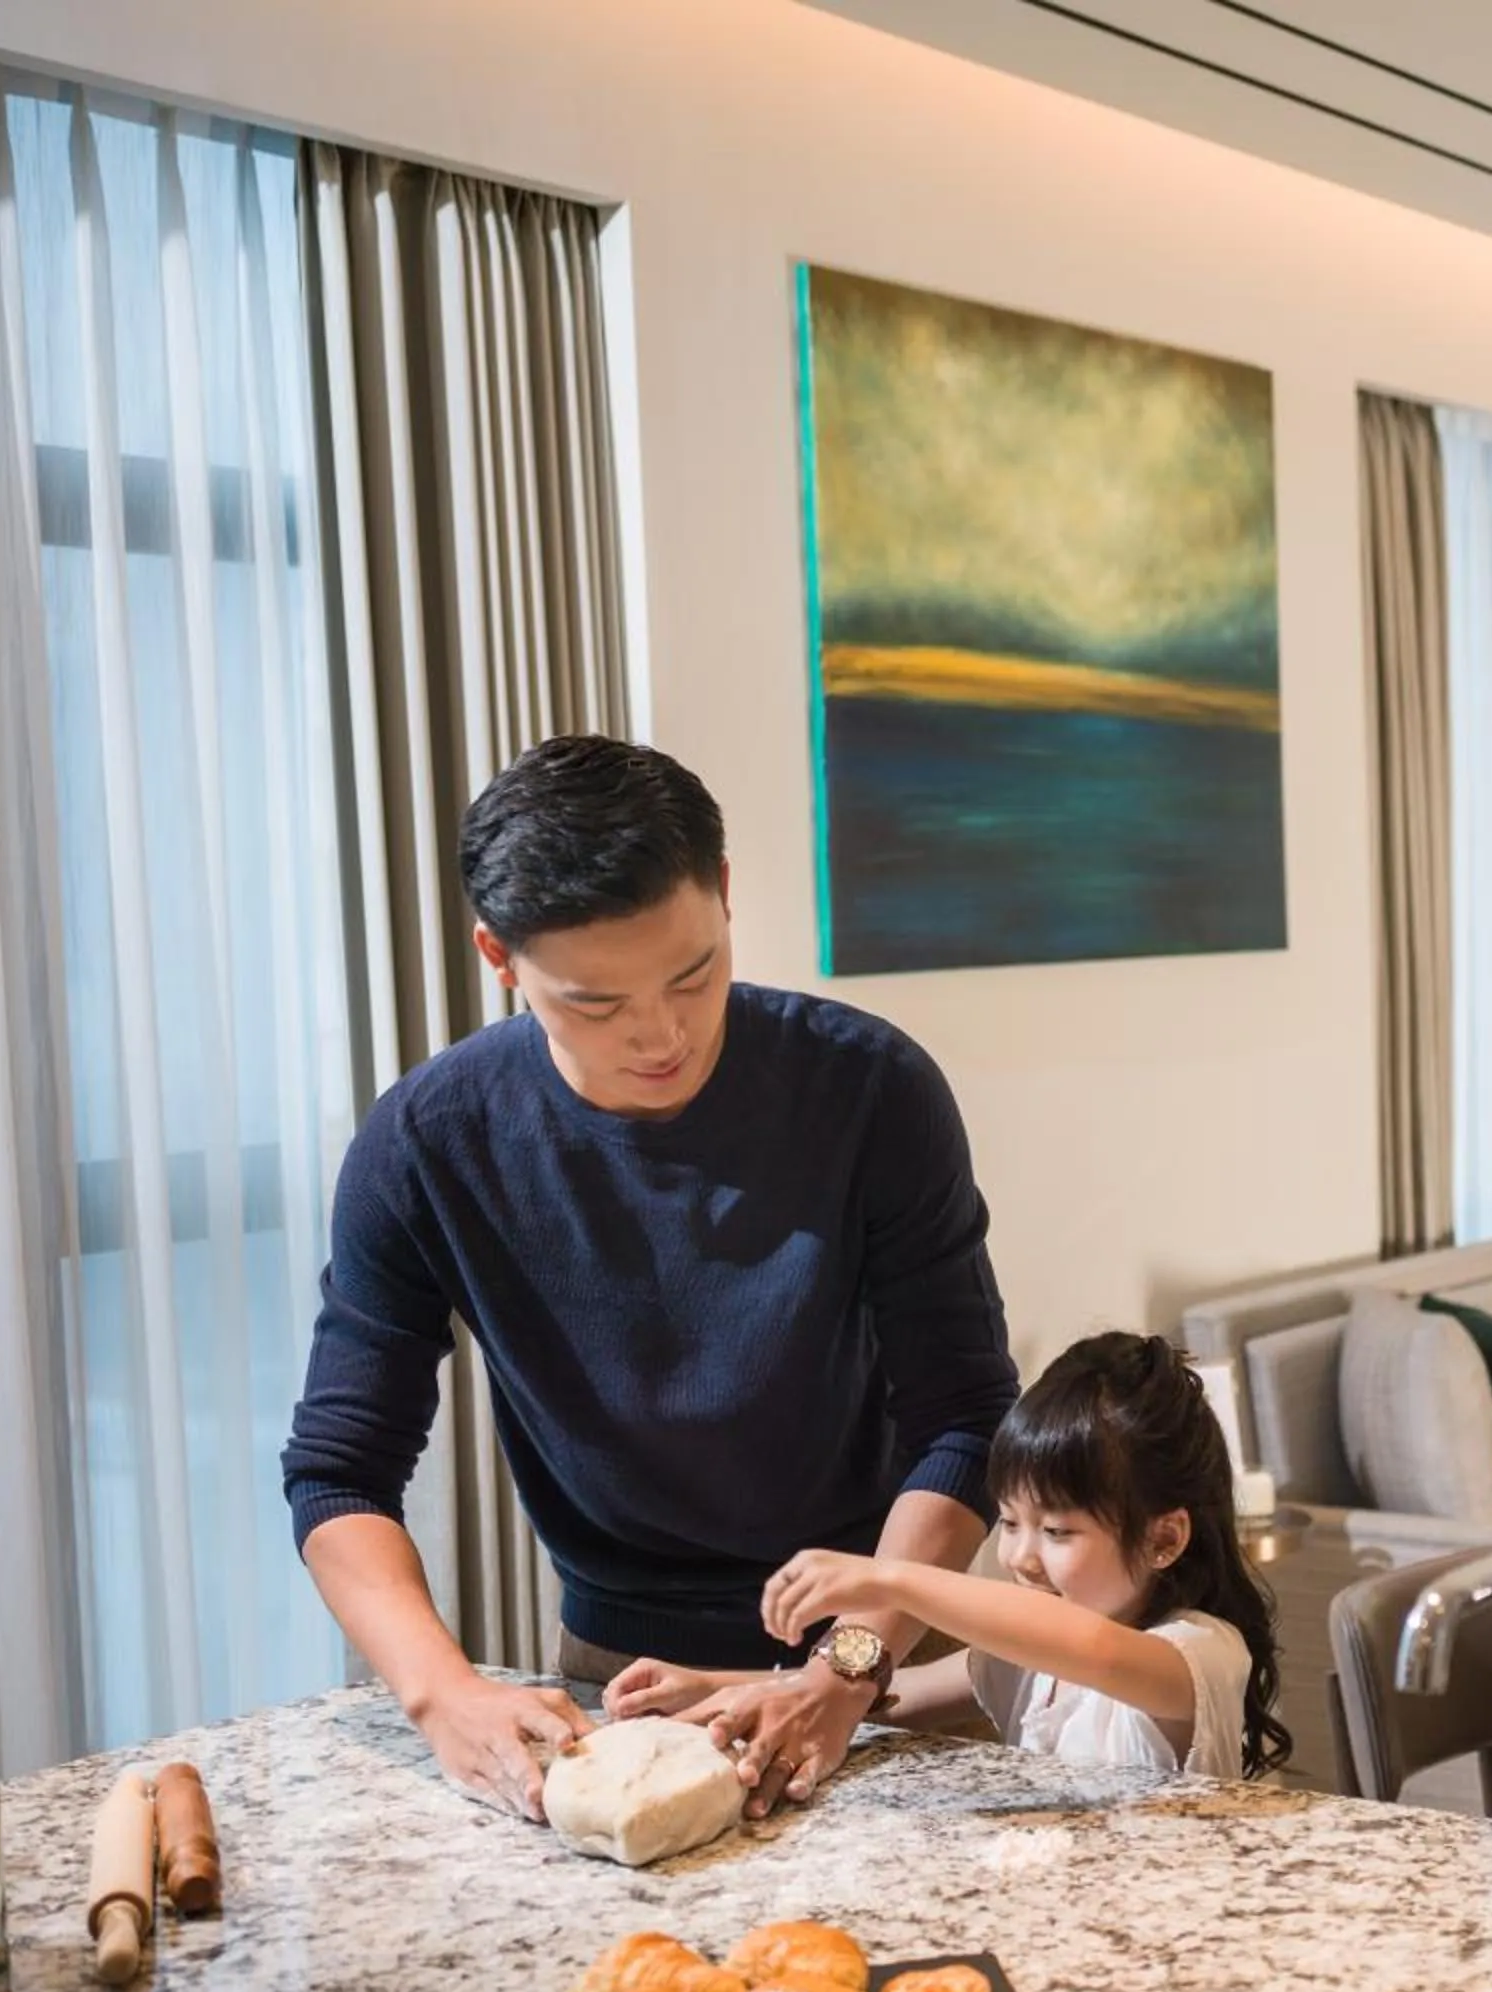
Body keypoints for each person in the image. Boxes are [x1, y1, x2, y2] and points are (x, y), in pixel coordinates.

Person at [281, 734, 1019, 1825]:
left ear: (723, 894)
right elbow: (339, 1472)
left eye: (694, 973)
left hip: (887, 1653)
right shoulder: (431, 1141)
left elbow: (964, 1418)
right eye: (594, 1003)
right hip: (619, 1681)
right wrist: (444, 1694)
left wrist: (846, 1666)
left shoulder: (870, 1091)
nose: (663, 1034)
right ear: (501, 957)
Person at [634, 1333, 1288, 1781]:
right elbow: (880, 1697)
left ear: (1166, 1538)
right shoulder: (1021, 1661)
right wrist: (715, 1686)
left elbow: (1090, 1648)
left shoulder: (1199, 1654)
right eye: (1008, 1522)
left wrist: (889, 1579)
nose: (1020, 1558)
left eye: (1057, 1533)